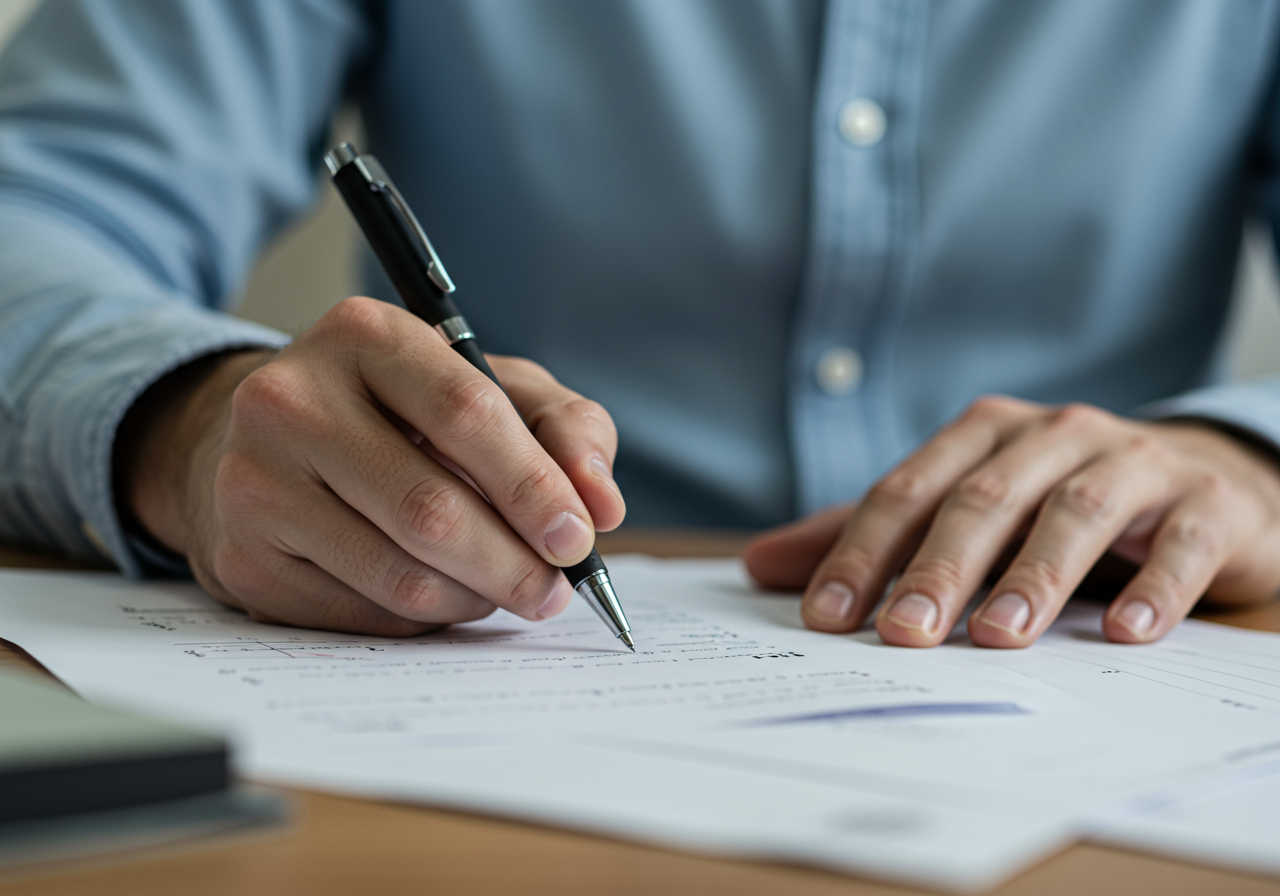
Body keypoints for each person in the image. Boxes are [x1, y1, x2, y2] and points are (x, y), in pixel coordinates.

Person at [2, 0, 1279, 650]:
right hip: (469, 658)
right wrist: (185, 425)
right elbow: (39, 200)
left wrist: (1244, 460)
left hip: (1098, 649)